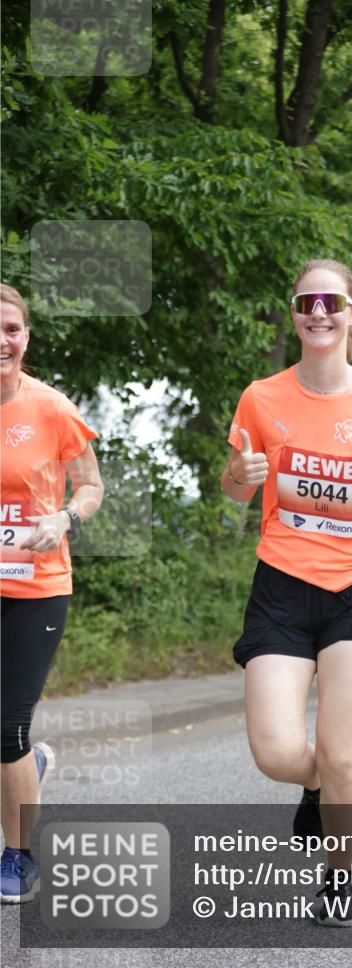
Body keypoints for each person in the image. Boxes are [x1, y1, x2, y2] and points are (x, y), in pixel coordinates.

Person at [221, 259, 352, 926]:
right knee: (277, 754)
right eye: (306, 302)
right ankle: (312, 783)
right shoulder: (261, 397)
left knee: (342, 755)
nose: (318, 312)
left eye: (331, 302)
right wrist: (239, 472)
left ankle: (342, 876)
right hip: (281, 587)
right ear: (294, 312)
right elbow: (235, 489)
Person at [0, 284, 104, 902]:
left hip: (35, 587)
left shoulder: (51, 408)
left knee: (6, 728)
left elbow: (91, 485)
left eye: (11, 329)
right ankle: (31, 769)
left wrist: (64, 518)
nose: (1, 341)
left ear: (26, 337)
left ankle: (18, 856)